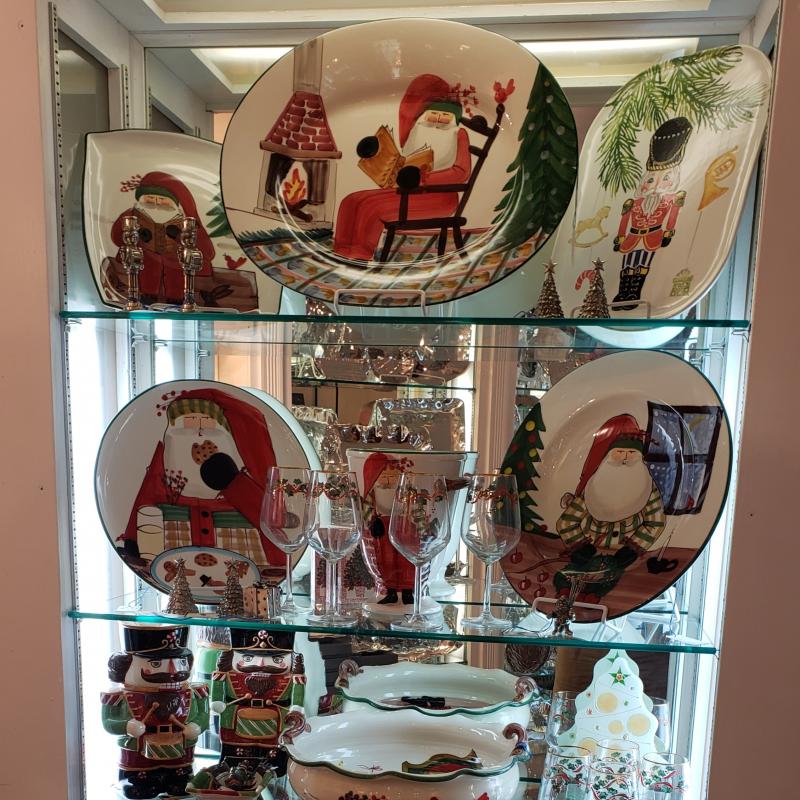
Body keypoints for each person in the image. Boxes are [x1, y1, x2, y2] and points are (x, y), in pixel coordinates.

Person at [118, 388, 283, 576]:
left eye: (208, 425)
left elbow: (276, 550)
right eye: (187, 425)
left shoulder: (248, 499)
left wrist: (236, 486)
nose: (199, 434)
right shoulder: (156, 498)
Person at [332, 73, 472, 261]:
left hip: (440, 197)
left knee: (371, 207)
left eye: (445, 117)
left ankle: (360, 257)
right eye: (434, 115)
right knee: (352, 200)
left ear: (454, 120)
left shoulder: (458, 135)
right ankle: (342, 253)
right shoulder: (418, 131)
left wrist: (424, 179)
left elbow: (462, 172)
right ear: (424, 116)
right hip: (408, 191)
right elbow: (406, 160)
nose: (438, 120)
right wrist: (379, 154)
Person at [554, 414, 667, 602]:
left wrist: (633, 548)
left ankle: (593, 596)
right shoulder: (594, 486)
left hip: (619, 552)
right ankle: (565, 592)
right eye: (619, 452)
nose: (625, 457)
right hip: (591, 548)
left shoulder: (645, 486)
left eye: (631, 453)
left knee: (609, 576)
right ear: (608, 456)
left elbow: (656, 522)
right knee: (571, 572)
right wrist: (579, 546)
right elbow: (566, 522)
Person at [101, 624, 209, 799]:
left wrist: (196, 725)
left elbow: (202, 716)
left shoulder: (193, 693)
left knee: (180, 780)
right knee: (139, 783)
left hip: (180, 754)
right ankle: (138, 779)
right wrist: (126, 726)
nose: (173, 672)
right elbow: (108, 723)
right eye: (156, 664)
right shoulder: (118, 697)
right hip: (137, 757)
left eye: (181, 662)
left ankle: (178, 776)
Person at [612, 117, 692, 309]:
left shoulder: (670, 200)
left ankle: (634, 294)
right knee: (627, 266)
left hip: (653, 236)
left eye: (665, 178)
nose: (655, 185)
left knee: (642, 266)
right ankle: (623, 294)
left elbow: (672, 217)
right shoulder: (635, 202)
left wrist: (668, 232)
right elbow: (624, 220)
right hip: (632, 237)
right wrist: (620, 237)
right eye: (650, 180)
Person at [211, 629, 305, 776]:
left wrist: (297, 706)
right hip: (236, 722)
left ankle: (272, 768)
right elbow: (217, 689)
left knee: (274, 753)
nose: (260, 664)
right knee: (236, 750)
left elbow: (298, 692)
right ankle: (234, 764)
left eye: (277, 660)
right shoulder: (227, 675)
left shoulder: (291, 678)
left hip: (275, 723)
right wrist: (217, 701)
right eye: (248, 658)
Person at [111, 171, 215, 304]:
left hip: (177, 263)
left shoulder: (187, 222)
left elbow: (207, 251)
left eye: (162, 200)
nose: (156, 203)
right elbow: (116, 237)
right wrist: (137, 236)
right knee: (146, 260)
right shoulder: (132, 216)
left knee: (176, 265)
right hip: (143, 264)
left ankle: (177, 299)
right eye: (150, 199)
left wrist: (179, 237)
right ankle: (145, 296)